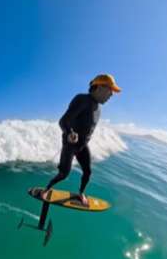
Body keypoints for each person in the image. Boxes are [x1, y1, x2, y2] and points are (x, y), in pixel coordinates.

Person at [41, 74, 121, 206]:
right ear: (100, 87)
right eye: (110, 90)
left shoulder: (98, 108)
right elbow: (63, 121)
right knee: (63, 174)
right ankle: (47, 188)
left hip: (83, 145)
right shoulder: (82, 99)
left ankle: (81, 193)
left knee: (88, 172)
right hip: (70, 144)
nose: (111, 95)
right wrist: (70, 133)